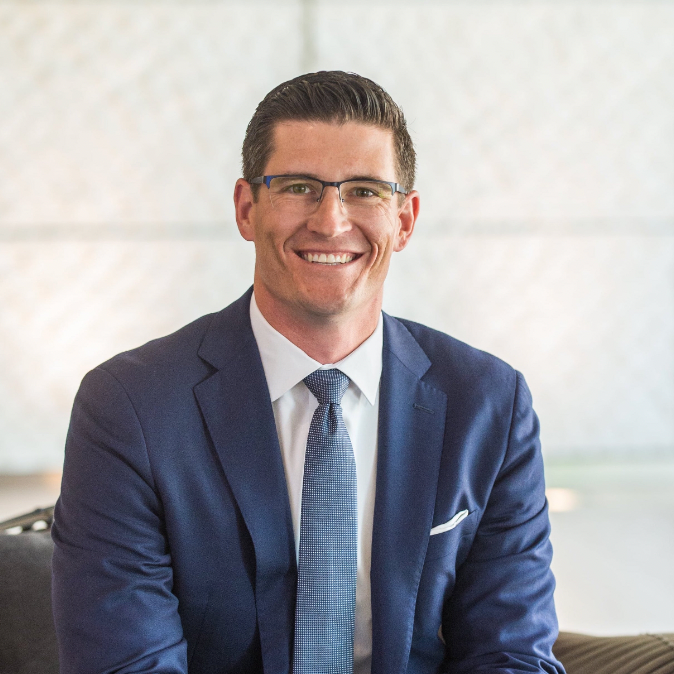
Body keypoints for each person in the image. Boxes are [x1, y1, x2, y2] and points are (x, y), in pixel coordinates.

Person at [52, 71, 565, 674]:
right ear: (246, 208)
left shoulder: (489, 405)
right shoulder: (129, 407)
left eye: (366, 190)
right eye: (299, 186)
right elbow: (127, 665)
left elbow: (509, 655)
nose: (330, 221)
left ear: (405, 219)